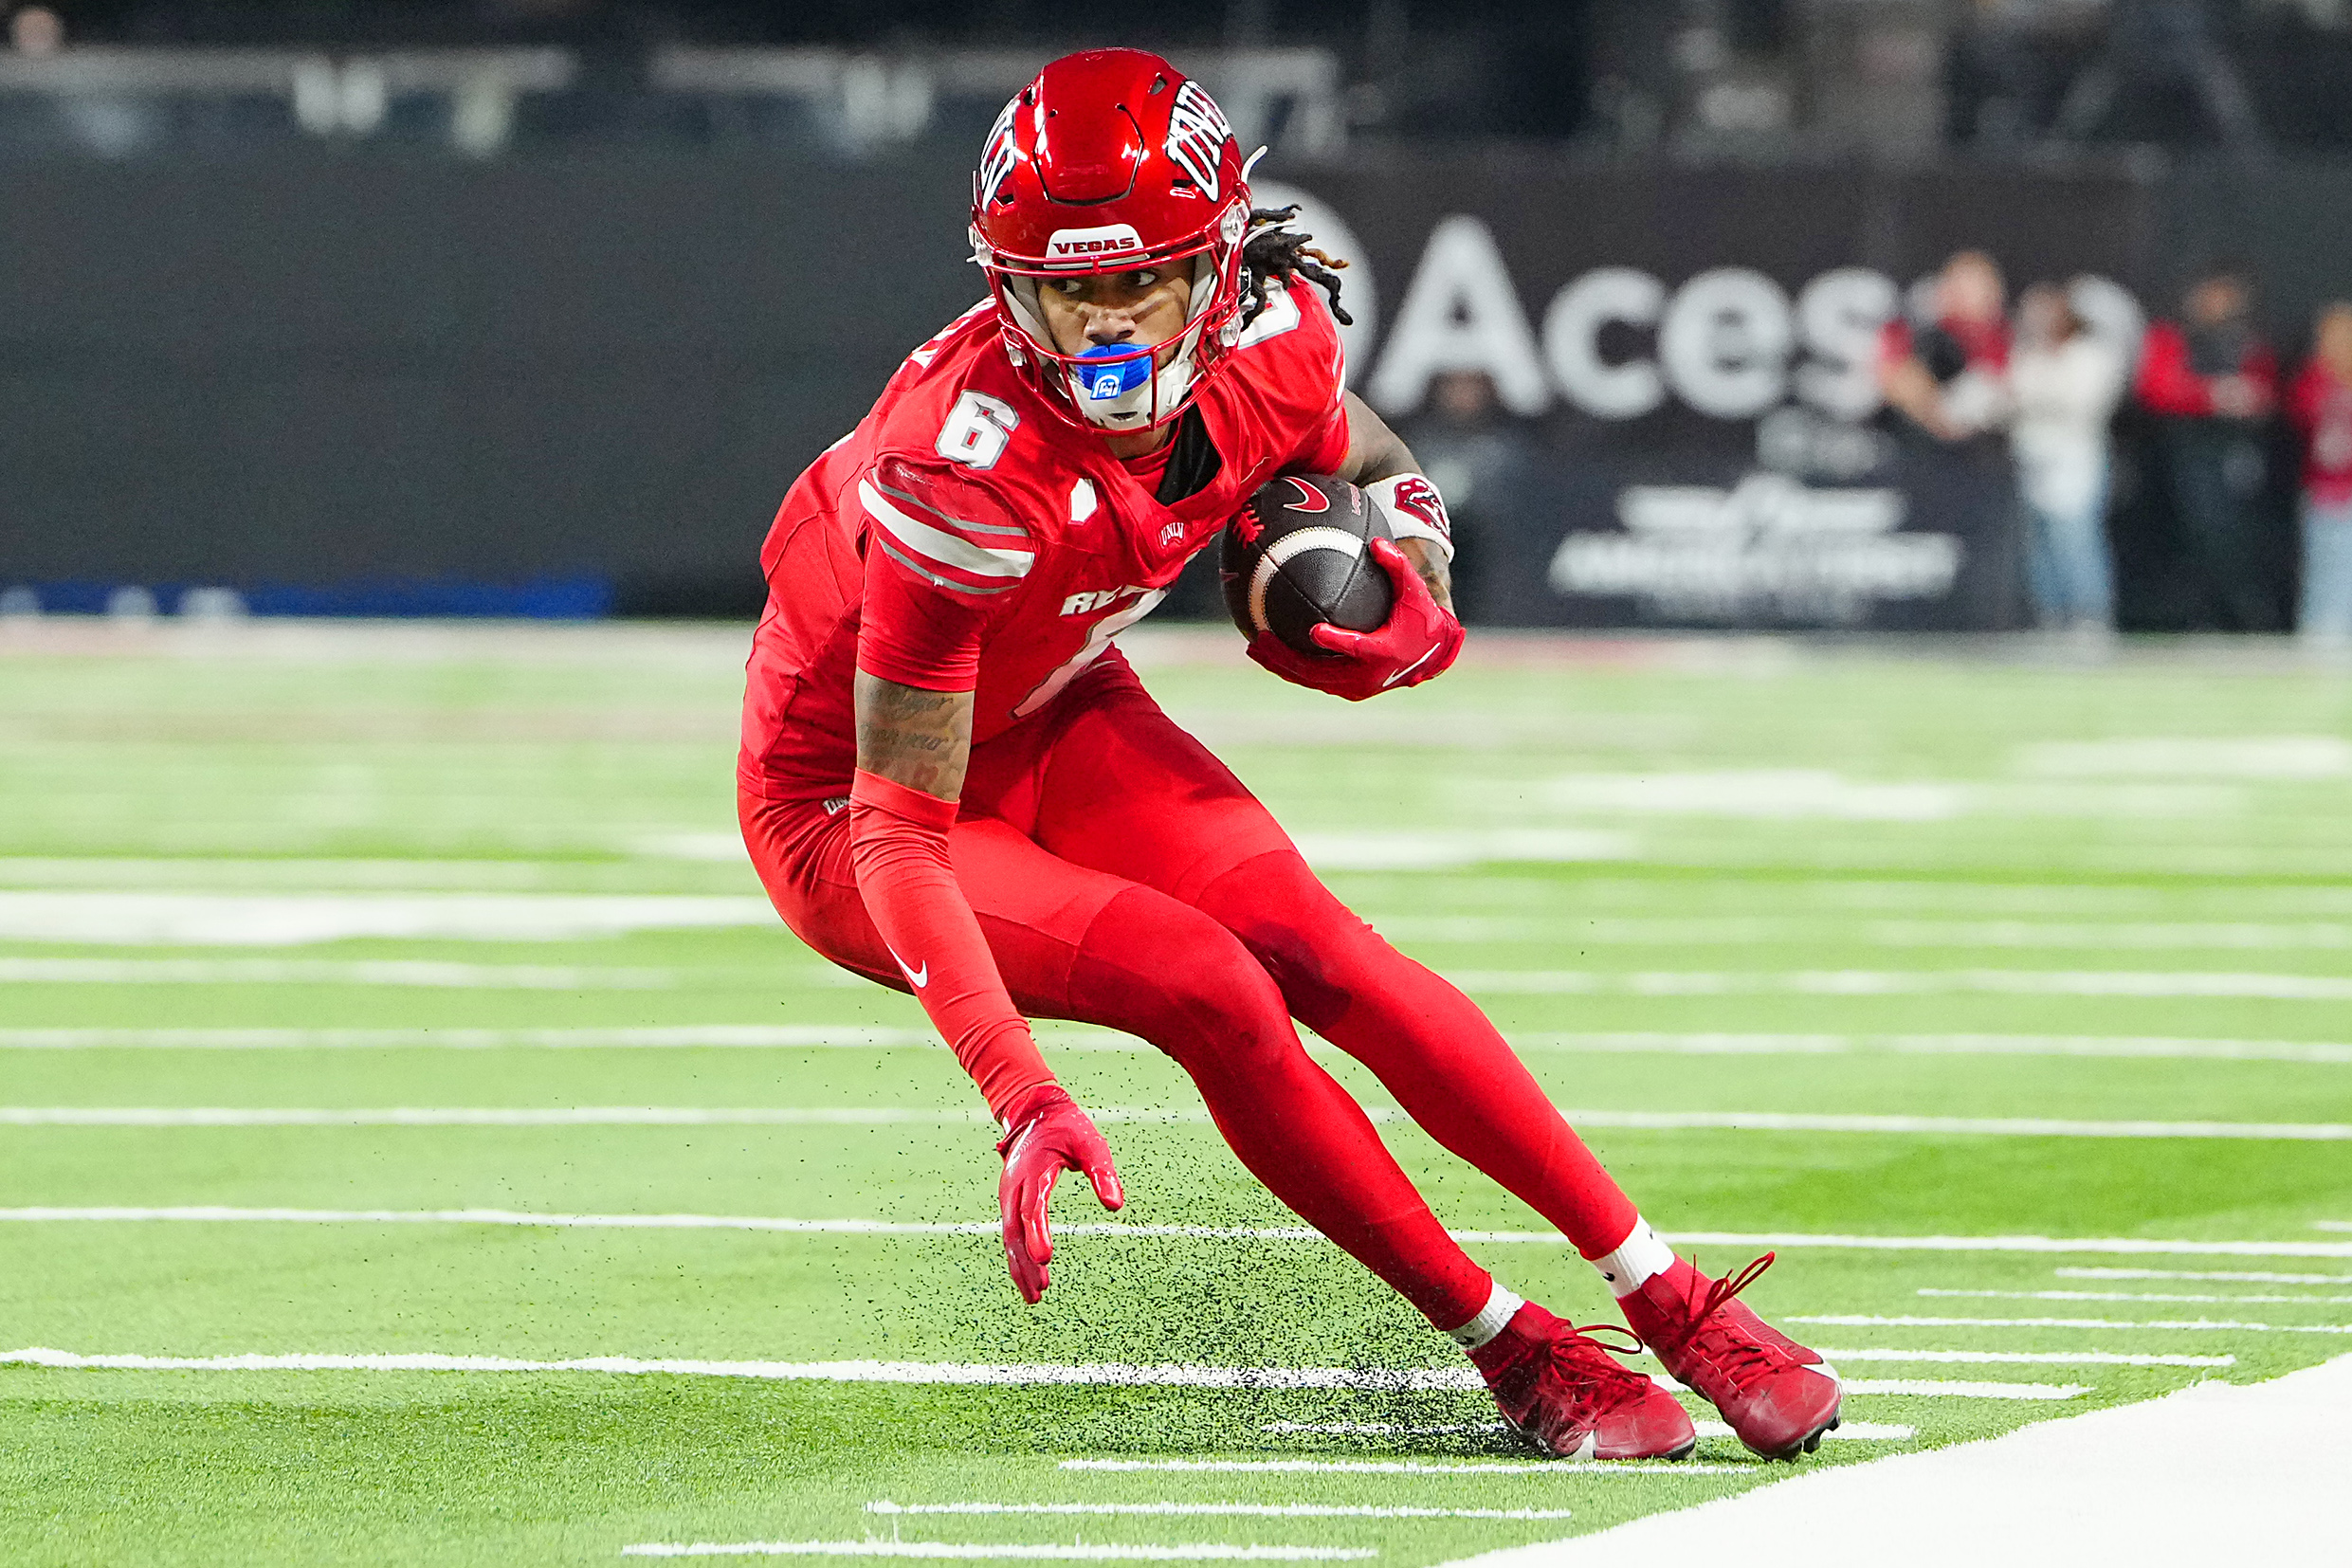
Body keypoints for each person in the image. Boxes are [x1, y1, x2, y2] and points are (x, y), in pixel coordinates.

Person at [736, 48, 1841, 1464]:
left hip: (1056, 699)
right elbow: (895, 826)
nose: (1103, 324)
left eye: (1139, 280)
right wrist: (1019, 1087)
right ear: (1006, 286)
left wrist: (1413, 569)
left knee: (1317, 945)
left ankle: (1674, 1297)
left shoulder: (1270, 336)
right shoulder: (961, 466)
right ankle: (1514, 1347)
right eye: (1067, 288)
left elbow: (1365, 456)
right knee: (1211, 985)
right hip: (857, 804)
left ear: (1215, 264)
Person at [2135, 265, 2280, 630]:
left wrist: (2246, 398)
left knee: (2236, 540)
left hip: (2232, 457)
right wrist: (2212, 396)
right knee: (2187, 538)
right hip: (2178, 458)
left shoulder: (2246, 341)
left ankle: (2246, 620)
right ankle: (2193, 619)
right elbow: (2157, 389)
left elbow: (2266, 391)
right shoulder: (2173, 336)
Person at [2008, 282, 2127, 633]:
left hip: (2076, 461)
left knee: (2074, 538)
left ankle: (2090, 616)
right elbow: (2010, 397)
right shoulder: (2028, 354)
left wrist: (2032, 398)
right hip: (2033, 459)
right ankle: (2050, 617)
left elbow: (2081, 404)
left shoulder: (2091, 355)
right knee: (2037, 544)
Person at [1877, 250, 2012, 444]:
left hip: (1975, 447)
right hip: (1908, 438)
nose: (1968, 298)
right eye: (1961, 288)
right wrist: (1933, 408)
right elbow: (1892, 372)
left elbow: (1999, 386)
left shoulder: (2002, 338)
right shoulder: (1922, 328)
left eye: (1981, 289)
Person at [2288, 302, 2352, 646]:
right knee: (2326, 566)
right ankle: (2322, 636)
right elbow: (2305, 416)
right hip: (2327, 493)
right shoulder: (2315, 381)